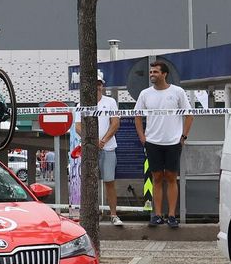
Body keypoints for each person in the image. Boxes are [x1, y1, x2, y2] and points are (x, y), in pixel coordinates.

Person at [135, 61, 192, 228]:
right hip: (152, 141)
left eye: (155, 72)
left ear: (164, 74)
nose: (152, 74)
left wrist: (183, 136)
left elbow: (189, 115)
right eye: (151, 72)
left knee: (171, 177)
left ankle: (172, 216)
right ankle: (157, 215)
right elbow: (137, 116)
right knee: (157, 178)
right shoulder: (145, 94)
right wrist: (142, 136)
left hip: (173, 141)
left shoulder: (177, 92)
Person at [77, 79, 124, 226]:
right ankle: (91, 215)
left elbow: (115, 123)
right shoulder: (81, 104)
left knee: (109, 181)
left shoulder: (110, 102)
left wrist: (103, 140)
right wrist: (93, 141)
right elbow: (78, 127)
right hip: (90, 150)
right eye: (94, 83)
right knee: (90, 183)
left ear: (102, 86)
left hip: (108, 148)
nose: (97, 86)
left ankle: (113, 214)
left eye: (99, 84)